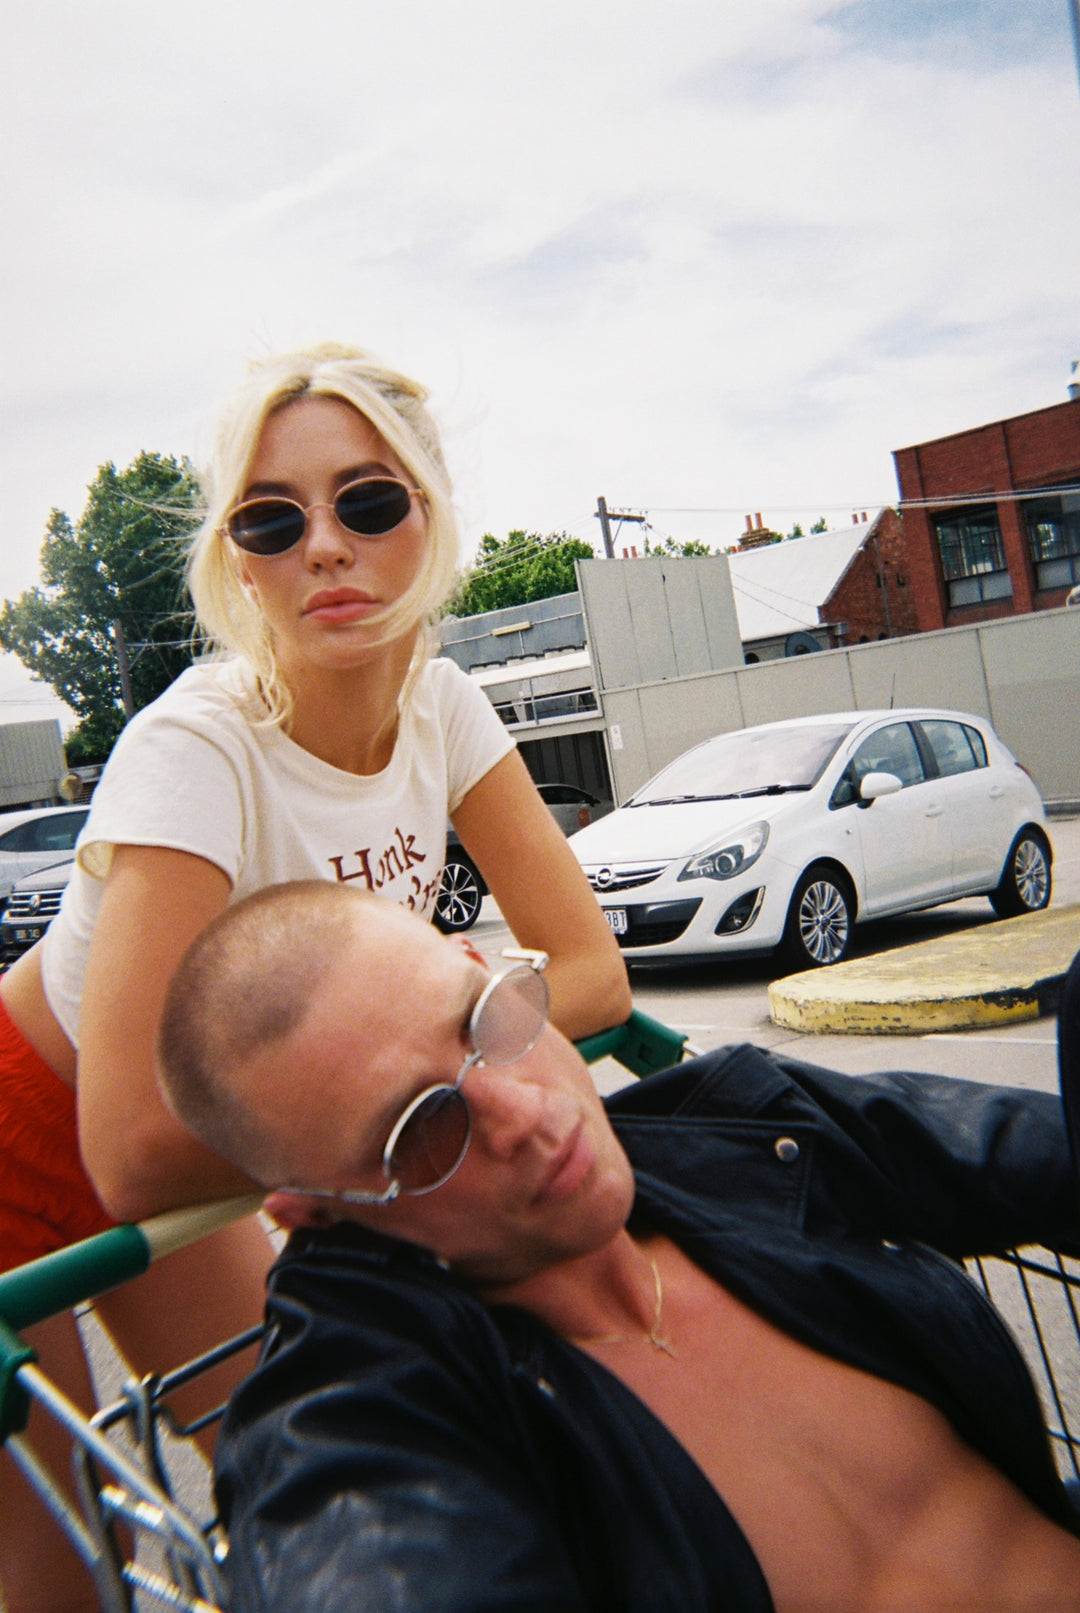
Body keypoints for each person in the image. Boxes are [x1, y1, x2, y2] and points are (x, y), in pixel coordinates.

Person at [0, 344, 629, 1612]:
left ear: (431, 515)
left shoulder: (445, 706)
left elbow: (592, 973)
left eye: (369, 501)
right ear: (239, 560)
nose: (325, 547)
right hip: (32, 1123)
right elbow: (130, 1142)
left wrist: (434, 1069)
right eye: (272, 520)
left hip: (196, 1131)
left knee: (339, 1479)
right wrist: (404, 1114)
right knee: (65, 1567)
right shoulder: (196, 748)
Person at [156, 881, 1080, 1613]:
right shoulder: (360, 1415)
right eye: (422, 1129)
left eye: (485, 1021)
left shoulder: (741, 1128)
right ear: (317, 1211)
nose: (525, 1112)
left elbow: (1027, 1147)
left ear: (480, 963)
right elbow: (364, 1546)